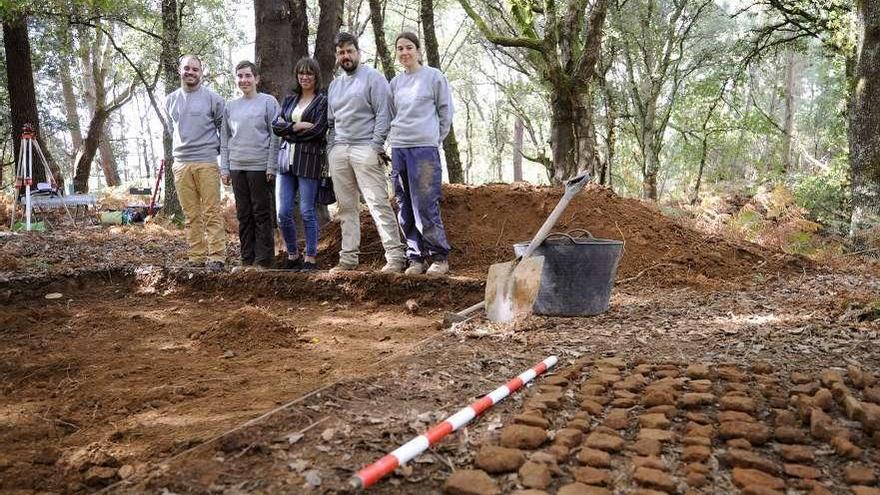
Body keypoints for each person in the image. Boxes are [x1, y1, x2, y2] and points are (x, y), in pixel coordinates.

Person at [326, 32, 407, 273]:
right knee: (346, 207)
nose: (346, 56)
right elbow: (331, 121)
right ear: (337, 56)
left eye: (350, 51)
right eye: (341, 52)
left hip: (366, 148)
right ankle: (348, 259)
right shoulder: (335, 85)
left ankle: (395, 257)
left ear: (358, 53)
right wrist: (332, 148)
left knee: (377, 203)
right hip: (340, 151)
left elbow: (384, 113)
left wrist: (375, 146)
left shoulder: (373, 78)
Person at [389, 32, 453, 277]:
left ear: (418, 50)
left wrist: (433, 138)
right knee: (404, 204)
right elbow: (394, 113)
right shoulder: (395, 83)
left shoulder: (434, 77)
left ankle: (439, 257)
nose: (404, 52)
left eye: (409, 47)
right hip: (399, 148)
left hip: (424, 149)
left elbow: (445, 112)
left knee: (425, 203)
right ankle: (415, 257)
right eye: (400, 49)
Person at [165, 55, 227, 272]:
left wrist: (221, 158)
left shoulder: (214, 99)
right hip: (181, 164)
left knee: (212, 212)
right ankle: (196, 258)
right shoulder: (170, 100)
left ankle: (217, 257)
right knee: (191, 215)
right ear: (179, 70)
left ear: (201, 72)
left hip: (207, 162)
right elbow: (173, 130)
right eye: (186, 69)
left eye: (195, 69)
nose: (190, 72)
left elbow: (224, 131)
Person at [220, 60, 281, 270]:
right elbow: (225, 140)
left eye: (248, 76)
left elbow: (276, 136)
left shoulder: (268, 102)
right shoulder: (230, 106)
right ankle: (247, 260)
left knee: (261, 213)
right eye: (240, 76)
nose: (244, 80)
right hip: (237, 168)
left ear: (256, 79)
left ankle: (263, 261)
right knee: (243, 214)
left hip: (260, 168)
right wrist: (225, 168)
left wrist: (271, 166)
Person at [271, 57, 328, 272]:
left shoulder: (322, 101)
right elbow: (276, 126)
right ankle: (293, 255)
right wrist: (296, 126)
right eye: (301, 73)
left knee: (306, 211)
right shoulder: (288, 100)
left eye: (309, 73)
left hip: (309, 160)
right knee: (283, 212)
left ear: (316, 77)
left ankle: (311, 257)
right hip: (285, 162)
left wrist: (289, 131)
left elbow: (318, 130)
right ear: (297, 76)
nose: (305, 77)